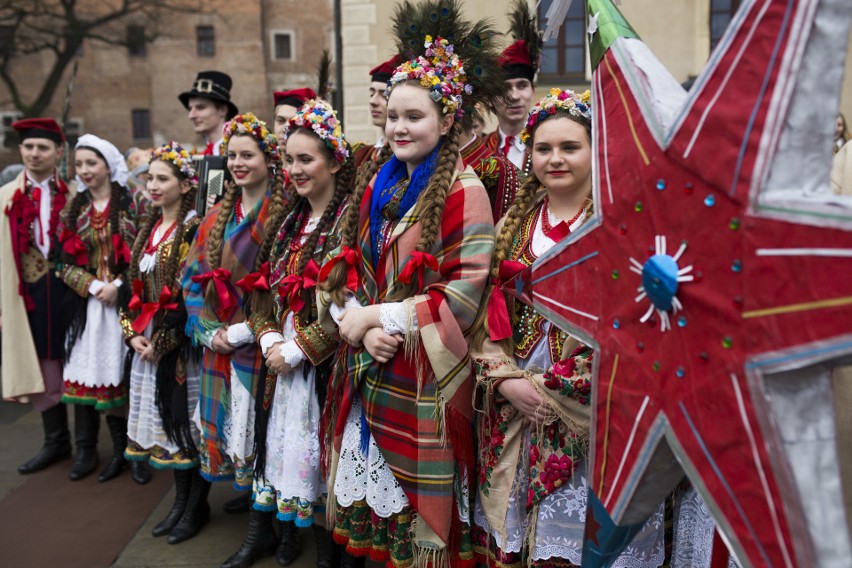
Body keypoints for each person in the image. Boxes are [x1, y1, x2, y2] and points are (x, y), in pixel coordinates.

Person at [317, 2, 497, 564]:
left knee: (418, 540)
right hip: (369, 371)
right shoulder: (375, 184)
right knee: (370, 539)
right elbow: (336, 269)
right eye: (392, 115)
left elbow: (463, 297)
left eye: (413, 116)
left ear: (446, 122)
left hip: (424, 383)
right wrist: (354, 324)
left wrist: (380, 319)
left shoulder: (466, 191)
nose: (398, 126)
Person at [469, 89, 664, 567]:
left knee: (579, 544)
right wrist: (507, 380)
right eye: (543, 148)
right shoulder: (511, 227)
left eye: (570, 147)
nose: (555, 159)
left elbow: (635, 331)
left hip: (589, 412)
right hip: (514, 406)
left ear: (596, 151)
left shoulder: (619, 227)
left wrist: (552, 391)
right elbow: (483, 317)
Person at [222, 99, 354, 568]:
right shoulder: (287, 224)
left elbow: (351, 304)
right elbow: (260, 298)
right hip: (280, 369)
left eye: (306, 159)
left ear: (335, 161)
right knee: (293, 472)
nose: (295, 170)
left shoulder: (348, 223)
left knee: (325, 475)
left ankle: (330, 561)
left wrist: (300, 349)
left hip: (323, 371)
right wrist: (268, 340)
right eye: (290, 159)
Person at [181, 112, 289, 546]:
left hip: (261, 344)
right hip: (217, 345)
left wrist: (246, 331)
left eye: (248, 154)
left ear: (269, 158)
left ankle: (275, 534)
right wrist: (207, 331)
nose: (239, 163)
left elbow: (287, 283)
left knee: (268, 443)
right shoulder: (214, 218)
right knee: (227, 435)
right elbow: (190, 279)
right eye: (232, 156)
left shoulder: (282, 214)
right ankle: (257, 530)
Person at [119, 142, 204, 540]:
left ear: (186, 184)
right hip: (149, 340)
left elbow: (190, 295)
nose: (152, 185)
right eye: (150, 178)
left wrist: (164, 341)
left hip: (180, 343)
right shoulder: (150, 228)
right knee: (167, 426)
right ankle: (181, 503)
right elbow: (130, 289)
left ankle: (194, 507)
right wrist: (132, 333)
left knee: (184, 423)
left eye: (162, 178)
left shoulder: (192, 228)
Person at [58, 133, 151, 484]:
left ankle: (133, 453)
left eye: (91, 163)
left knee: (122, 380)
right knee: (89, 378)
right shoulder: (74, 208)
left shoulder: (134, 203)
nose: (84, 171)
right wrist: (94, 285)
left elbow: (145, 253)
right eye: (79, 164)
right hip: (86, 308)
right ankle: (89, 451)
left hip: (125, 305)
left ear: (108, 165)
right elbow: (60, 261)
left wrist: (120, 286)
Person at [0, 118, 73, 474]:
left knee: (78, 361)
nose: (34, 154)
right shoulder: (5, 198)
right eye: (28, 147)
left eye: (42, 147)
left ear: (58, 153)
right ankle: (55, 441)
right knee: (42, 363)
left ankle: (95, 443)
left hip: (70, 290)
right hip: (28, 292)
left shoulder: (74, 195)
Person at [483, 0, 541, 174]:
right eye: (504, 88)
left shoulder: (546, 146)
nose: (514, 96)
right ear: (490, 97)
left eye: (522, 85)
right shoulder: (480, 150)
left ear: (532, 91)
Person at [351, 54, 402, 172]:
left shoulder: (406, 156)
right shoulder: (363, 155)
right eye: (371, 94)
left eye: (383, 94)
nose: (372, 101)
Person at [179, 71, 240, 156]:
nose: (191, 116)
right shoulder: (202, 155)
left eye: (200, 108)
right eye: (190, 109)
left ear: (222, 110)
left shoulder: (239, 153)